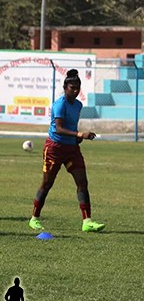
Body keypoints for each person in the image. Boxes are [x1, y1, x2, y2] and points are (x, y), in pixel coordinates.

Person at [29, 69, 104, 233]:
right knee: (47, 184)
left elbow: (70, 127)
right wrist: (79, 134)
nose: (76, 91)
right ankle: (34, 218)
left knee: (82, 182)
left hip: (71, 148)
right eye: (72, 87)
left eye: (78, 88)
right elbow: (59, 129)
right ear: (65, 87)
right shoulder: (60, 104)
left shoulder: (78, 104)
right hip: (54, 148)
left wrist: (77, 138)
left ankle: (87, 221)